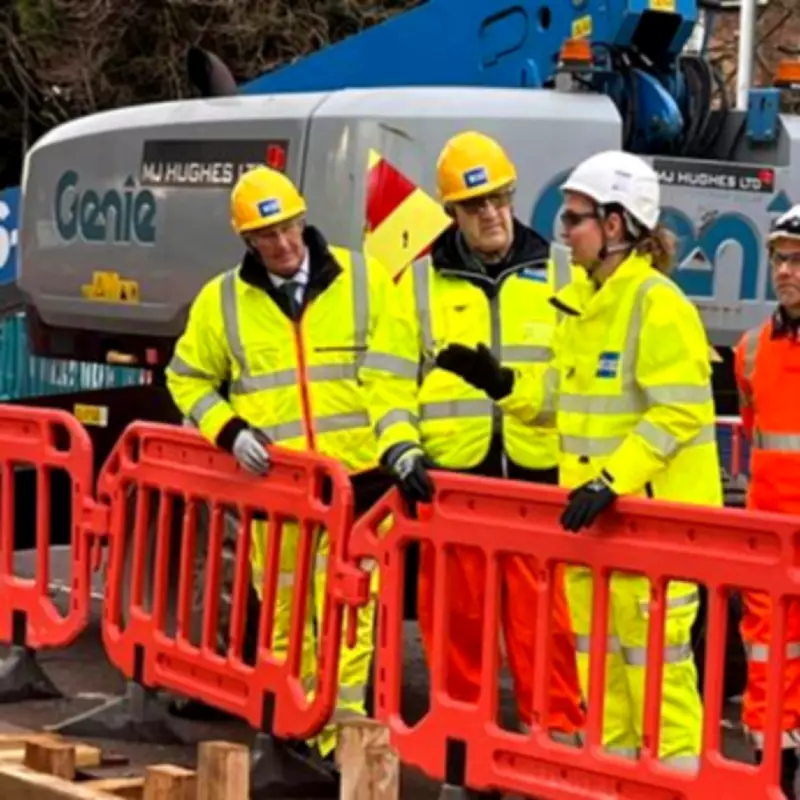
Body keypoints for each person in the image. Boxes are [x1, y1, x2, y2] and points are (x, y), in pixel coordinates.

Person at [435, 150, 721, 770]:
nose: (562, 233)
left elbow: (678, 413)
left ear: (615, 225)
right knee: (606, 688)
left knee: (661, 690)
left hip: (652, 528)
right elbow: (561, 402)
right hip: (599, 529)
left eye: (574, 220)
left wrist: (611, 481)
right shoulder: (583, 304)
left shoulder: (657, 303)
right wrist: (498, 381)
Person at [165, 165, 417, 790]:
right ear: (246, 241)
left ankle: (344, 739)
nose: (281, 243)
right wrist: (231, 432)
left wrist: (399, 448)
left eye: (287, 227)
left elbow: (395, 370)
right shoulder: (223, 300)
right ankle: (297, 729)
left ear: (304, 218)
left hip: (357, 484)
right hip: (279, 492)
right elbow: (186, 378)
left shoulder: (364, 280)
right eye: (265, 235)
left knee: (353, 617)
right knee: (285, 615)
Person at [378, 131, 585, 786]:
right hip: (452, 489)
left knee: (549, 639)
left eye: (498, 199)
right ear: (452, 212)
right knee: (456, 640)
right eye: (474, 205)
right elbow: (384, 381)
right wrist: (401, 447)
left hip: (537, 487)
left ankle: (555, 767)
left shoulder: (560, 274)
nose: (490, 214)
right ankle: (464, 770)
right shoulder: (414, 284)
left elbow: (581, 382)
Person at [734, 205, 800, 797]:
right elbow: (756, 434)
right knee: (764, 651)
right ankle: (770, 758)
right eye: (780, 257)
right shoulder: (751, 350)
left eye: (797, 259)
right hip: (768, 537)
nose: (785, 270)